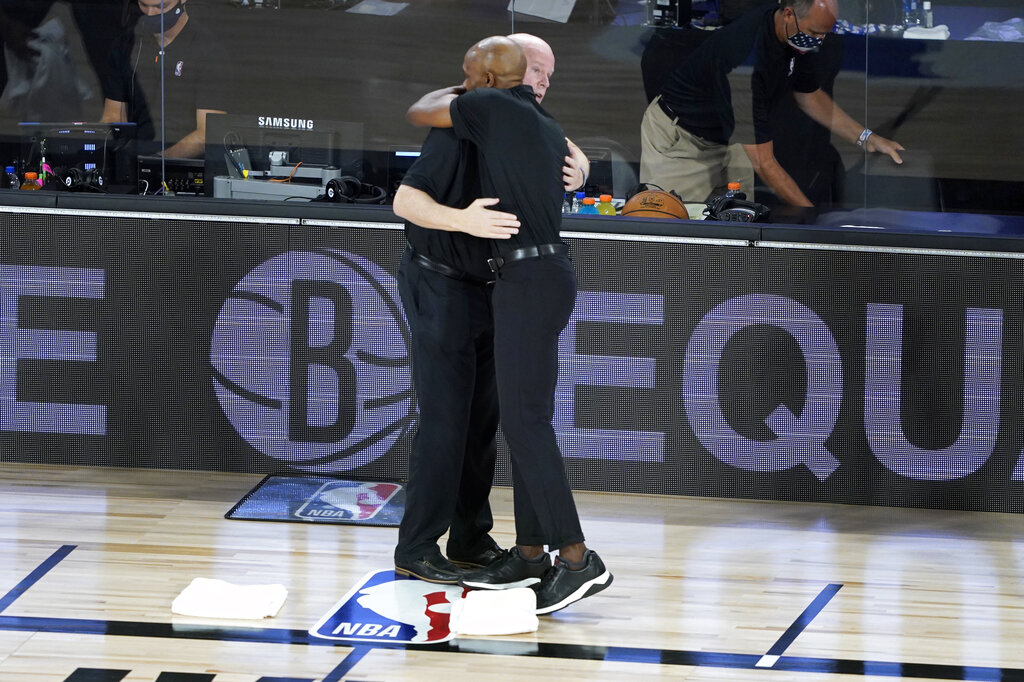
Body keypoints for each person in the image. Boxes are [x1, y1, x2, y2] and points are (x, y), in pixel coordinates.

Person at [395, 36, 612, 614]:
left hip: (507, 284)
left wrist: (583, 164)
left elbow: (557, 143)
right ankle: (423, 545)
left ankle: (484, 540)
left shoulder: (525, 120)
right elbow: (404, 200)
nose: (540, 82)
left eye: (547, 73)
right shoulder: (467, 122)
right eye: (533, 70)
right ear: (499, 77)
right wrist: (462, 220)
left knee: (503, 422)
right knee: (454, 417)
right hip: (446, 278)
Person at [640, 0, 905, 207]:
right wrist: (811, 219)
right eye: (814, 32)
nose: (819, 40)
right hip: (684, 139)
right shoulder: (745, 62)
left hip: (731, 135)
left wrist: (866, 137)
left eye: (825, 33)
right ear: (789, 14)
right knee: (678, 232)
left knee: (740, 226)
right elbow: (765, 164)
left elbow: (809, 95)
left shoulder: (797, 35)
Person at [100, 0, 227, 158]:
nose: (150, 13)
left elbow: (207, 133)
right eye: (144, 5)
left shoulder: (207, 50)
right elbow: (112, 116)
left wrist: (155, 163)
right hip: (133, 162)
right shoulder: (126, 45)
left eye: (161, 7)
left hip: (180, 165)